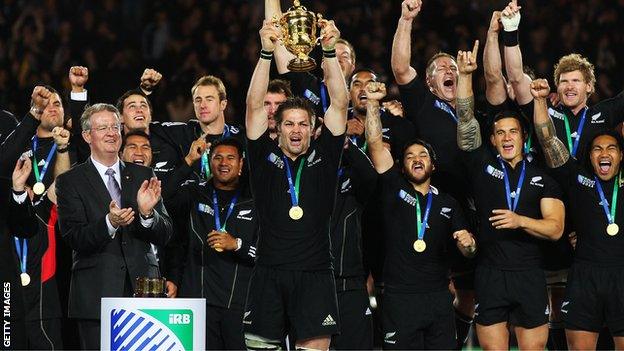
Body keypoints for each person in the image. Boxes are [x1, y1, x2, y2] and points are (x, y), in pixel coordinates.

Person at [243, 18, 348, 350]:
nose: (296, 130)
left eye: (303, 123)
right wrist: (264, 53)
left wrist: (329, 51)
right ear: (279, 126)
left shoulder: (325, 156)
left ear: (314, 127)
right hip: (268, 273)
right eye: (289, 123)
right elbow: (253, 105)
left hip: (315, 273)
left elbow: (340, 103)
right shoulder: (262, 156)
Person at [456, 44, 565, 349]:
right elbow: (465, 121)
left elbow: (555, 228)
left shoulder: (542, 177)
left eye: (513, 132)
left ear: (523, 137)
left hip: (529, 274)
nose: (506, 138)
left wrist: (520, 220)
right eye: (500, 133)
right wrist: (465, 76)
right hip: (489, 274)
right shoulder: (482, 165)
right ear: (492, 140)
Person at [363, 79, 476, 349]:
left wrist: (469, 245)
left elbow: (468, 251)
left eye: (423, 155)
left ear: (432, 166)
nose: (416, 159)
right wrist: (373, 105)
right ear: (402, 167)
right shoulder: (393, 189)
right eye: (411, 155)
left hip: (438, 297)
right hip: (399, 298)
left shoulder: (448, 204)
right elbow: (375, 144)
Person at [391, 1, 478, 345]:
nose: (449, 69)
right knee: (442, 285)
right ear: (429, 82)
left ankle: (451, 342)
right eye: (441, 67)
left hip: (476, 205)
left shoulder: (474, 108)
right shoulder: (424, 103)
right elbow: (400, 68)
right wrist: (406, 19)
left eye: (452, 66)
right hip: (436, 207)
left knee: (472, 293)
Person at [56, 103, 173, 350]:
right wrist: (110, 223)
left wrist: (147, 214)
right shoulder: (69, 181)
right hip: (96, 296)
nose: (111, 133)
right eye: (102, 128)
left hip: (144, 294)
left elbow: (166, 233)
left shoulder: (144, 174)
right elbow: (73, 237)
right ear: (87, 136)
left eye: (115, 127)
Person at [531, 78, 624, 350]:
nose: (603, 153)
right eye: (597, 149)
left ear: (621, 155)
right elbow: (548, 139)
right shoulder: (576, 178)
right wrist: (539, 102)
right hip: (584, 278)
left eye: (611, 149)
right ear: (590, 156)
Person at [164, 137, 257, 350]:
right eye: (218, 157)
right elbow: (161, 195)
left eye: (230, 158)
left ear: (241, 163)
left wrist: (238, 245)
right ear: (209, 161)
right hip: (197, 304)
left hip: (239, 306)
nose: (224, 163)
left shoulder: (256, 200)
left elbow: (269, 253)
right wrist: (188, 161)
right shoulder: (195, 194)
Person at [7, 125, 70, 350]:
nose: (26, 191)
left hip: (45, 307)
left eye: (28, 187)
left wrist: (62, 150)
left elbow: (62, 184)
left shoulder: (44, 211)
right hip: (9, 305)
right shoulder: (7, 218)